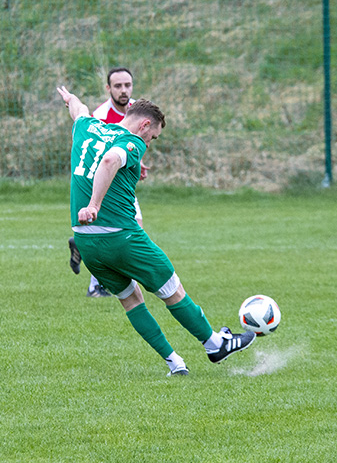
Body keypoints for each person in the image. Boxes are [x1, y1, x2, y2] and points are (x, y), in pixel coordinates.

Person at [57, 85, 255, 376]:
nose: (150, 143)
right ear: (144, 124)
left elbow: (79, 111)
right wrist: (94, 204)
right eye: (153, 136)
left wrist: (70, 99)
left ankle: (174, 362)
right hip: (121, 237)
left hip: (87, 243)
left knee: (130, 300)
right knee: (172, 290)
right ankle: (215, 345)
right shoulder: (132, 141)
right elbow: (111, 160)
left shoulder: (87, 127)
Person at [68, 67, 148, 298]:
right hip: (103, 183)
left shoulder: (136, 110)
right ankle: (97, 285)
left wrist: (136, 163)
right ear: (108, 88)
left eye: (128, 85)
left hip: (121, 179)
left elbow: (130, 144)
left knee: (131, 227)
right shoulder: (101, 114)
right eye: (118, 86)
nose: (124, 91)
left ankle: (83, 250)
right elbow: (98, 151)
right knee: (120, 230)